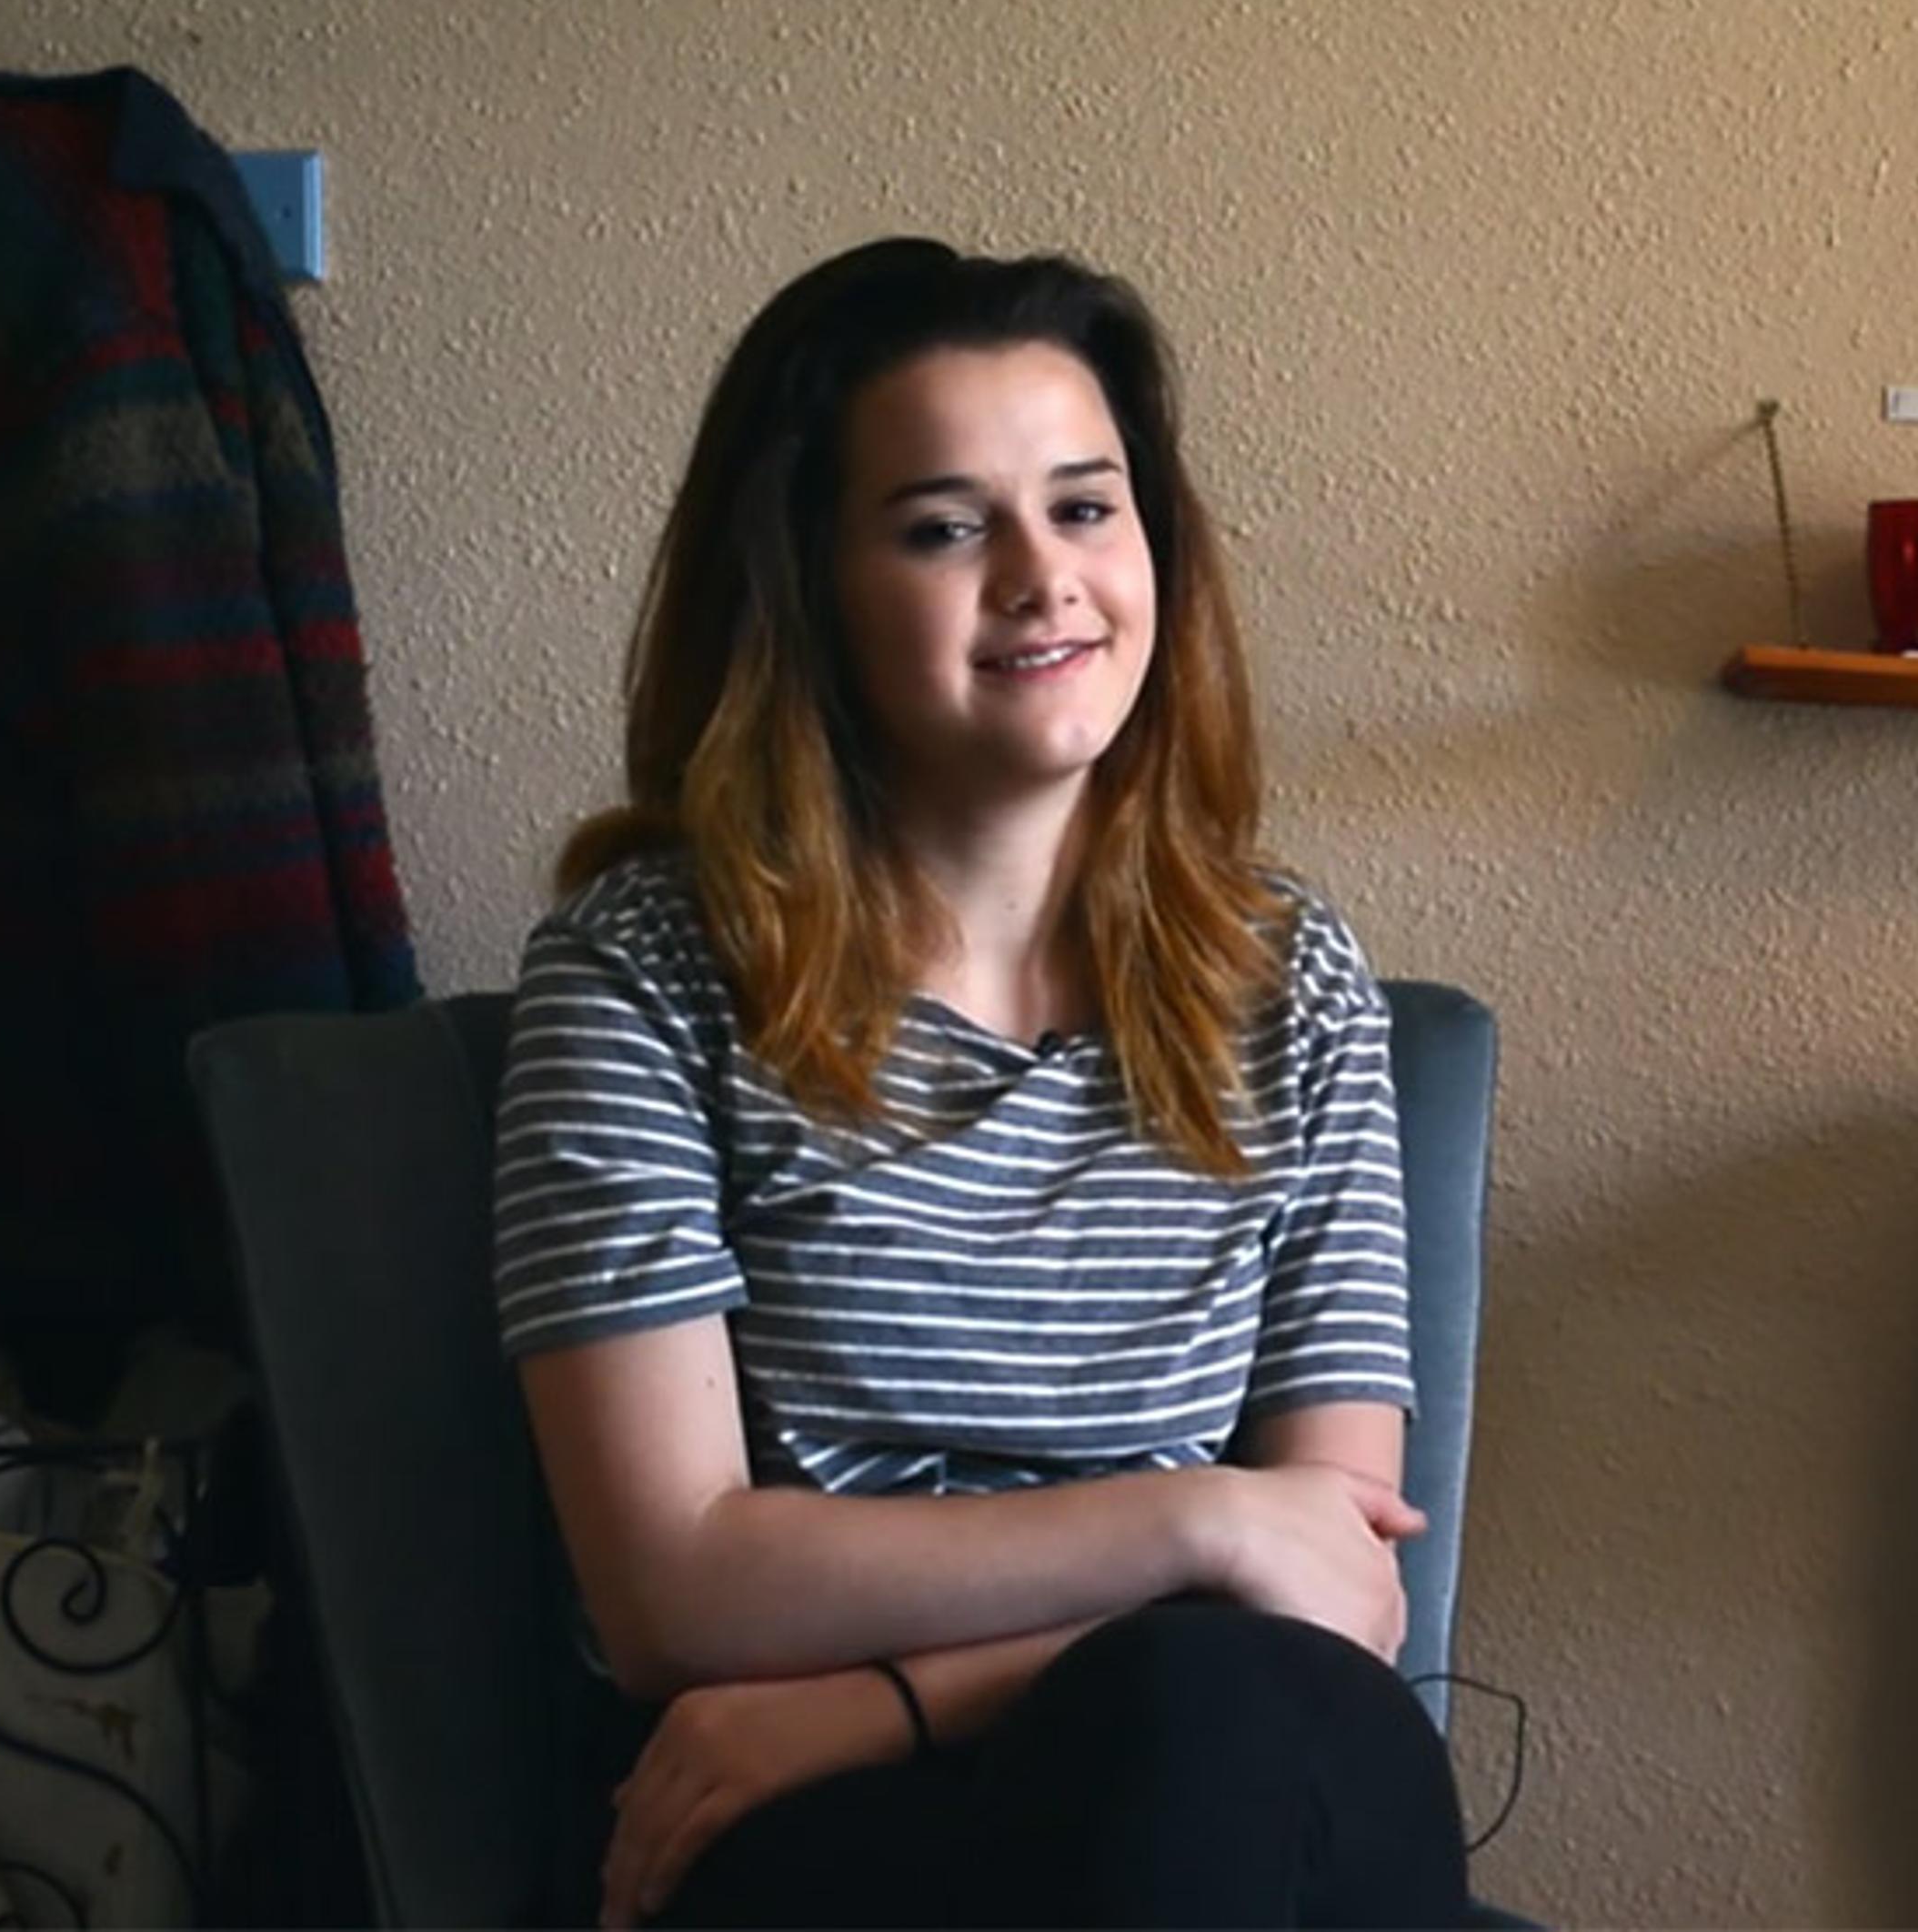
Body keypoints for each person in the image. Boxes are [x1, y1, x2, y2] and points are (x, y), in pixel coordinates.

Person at [487, 236, 1471, 1928]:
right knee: (1218, 1733)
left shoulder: (1287, 978)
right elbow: (675, 1585)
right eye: (946, 526)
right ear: (807, 584)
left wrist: (894, 1690)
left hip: (1054, 1738)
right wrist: (1201, 1524)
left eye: (1086, 508)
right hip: (810, 1837)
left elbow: (1336, 1582)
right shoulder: (646, 970)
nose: (1042, 576)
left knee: (1232, 1726)